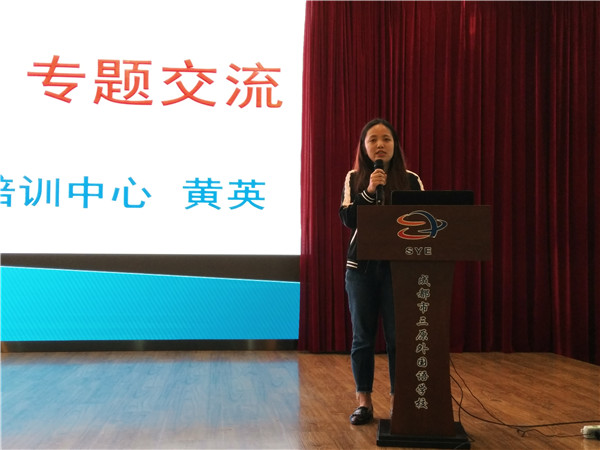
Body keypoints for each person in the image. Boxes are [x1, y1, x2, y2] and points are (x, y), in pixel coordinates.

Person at [339, 118, 424, 425]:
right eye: (372, 139)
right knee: (362, 338)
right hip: (361, 269)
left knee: (398, 339)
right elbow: (348, 218)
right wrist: (370, 190)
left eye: (386, 139)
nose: (379, 145)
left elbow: (425, 218)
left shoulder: (411, 179)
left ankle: (399, 402)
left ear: (395, 145)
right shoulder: (354, 178)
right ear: (364, 147)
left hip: (399, 269)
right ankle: (364, 402)